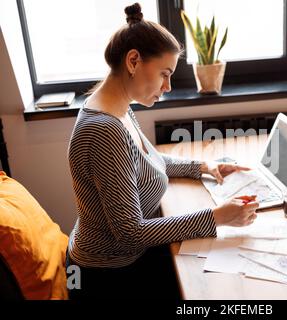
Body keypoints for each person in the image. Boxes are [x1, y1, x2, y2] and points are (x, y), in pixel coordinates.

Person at [66, 2, 259, 300]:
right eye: (164, 74)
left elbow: (147, 160)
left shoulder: (117, 108)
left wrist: (204, 167)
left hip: (126, 259)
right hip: (109, 275)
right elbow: (130, 233)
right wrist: (217, 217)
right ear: (133, 61)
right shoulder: (104, 130)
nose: (168, 86)